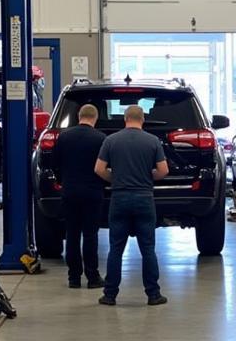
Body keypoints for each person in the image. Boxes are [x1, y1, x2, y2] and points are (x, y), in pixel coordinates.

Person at [95, 105, 169, 307]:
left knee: (116, 249)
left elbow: (99, 168)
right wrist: (148, 177)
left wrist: (115, 178)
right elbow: (163, 170)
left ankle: (110, 295)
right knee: (148, 249)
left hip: (119, 198)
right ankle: (153, 295)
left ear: (125, 119)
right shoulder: (152, 141)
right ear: (142, 120)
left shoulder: (111, 140)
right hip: (144, 198)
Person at [51, 103, 105, 289]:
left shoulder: (64, 137)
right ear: (95, 118)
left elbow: (54, 163)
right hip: (92, 193)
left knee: (72, 234)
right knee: (90, 235)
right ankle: (93, 277)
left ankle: (73, 278)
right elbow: (104, 167)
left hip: (70, 192)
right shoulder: (100, 138)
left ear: (79, 116)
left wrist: (64, 180)